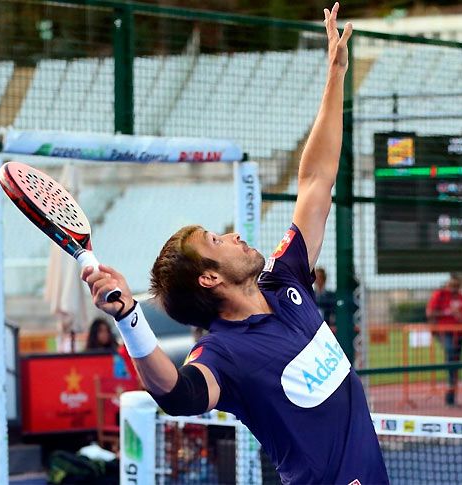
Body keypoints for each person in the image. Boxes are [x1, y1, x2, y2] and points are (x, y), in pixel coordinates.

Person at [82, 6, 388, 483]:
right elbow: (177, 395)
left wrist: (335, 77)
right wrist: (130, 319)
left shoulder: (287, 279)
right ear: (209, 277)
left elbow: (316, 179)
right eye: (216, 239)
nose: (235, 236)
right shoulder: (223, 355)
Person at [426, 274, 462, 407]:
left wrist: (460, 316)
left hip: (458, 334)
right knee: (450, 355)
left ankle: (451, 397)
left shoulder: (461, 297)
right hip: (444, 332)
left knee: (456, 363)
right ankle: (450, 387)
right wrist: (448, 312)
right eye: (452, 286)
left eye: (457, 286)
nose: (454, 289)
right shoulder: (440, 295)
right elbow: (430, 313)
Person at [84, 318, 139, 383]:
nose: (104, 334)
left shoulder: (117, 354)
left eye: (106, 331)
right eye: (100, 331)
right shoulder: (86, 356)